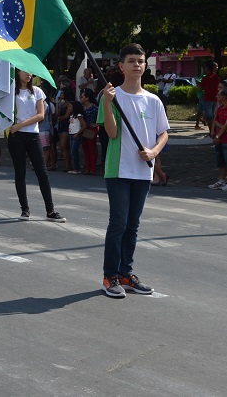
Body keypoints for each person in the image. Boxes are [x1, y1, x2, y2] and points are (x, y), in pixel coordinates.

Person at [98, 43, 169, 299]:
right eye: (131, 61)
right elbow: (112, 132)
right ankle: (110, 276)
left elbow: (164, 133)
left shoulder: (153, 100)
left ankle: (126, 273)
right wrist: (107, 103)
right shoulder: (112, 96)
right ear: (121, 66)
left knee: (133, 225)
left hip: (142, 171)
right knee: (118, 223)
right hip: (118, 170)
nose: (137, 65)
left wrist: (153, 152)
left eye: (140, 60)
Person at [7, 69, 65, 223]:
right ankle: (24, 209)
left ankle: (50, 210)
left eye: (30, 72)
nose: (28, 74)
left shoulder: (37, 91)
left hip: (32, 135)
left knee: (42, 172)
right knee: (20, 173)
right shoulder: (11, 91)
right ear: (17, 73)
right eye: (25, 71)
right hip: (15, 136)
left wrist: (20, 125)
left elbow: (41, 115)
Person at [208, 87, 227, 191]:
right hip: (220, 138)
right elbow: (216, 121)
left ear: (224, 97)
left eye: (219, 94)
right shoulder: (220, 108)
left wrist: (218, 135)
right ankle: (222, 180)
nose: (217, 96)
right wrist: (216, 131)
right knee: (220, 161)